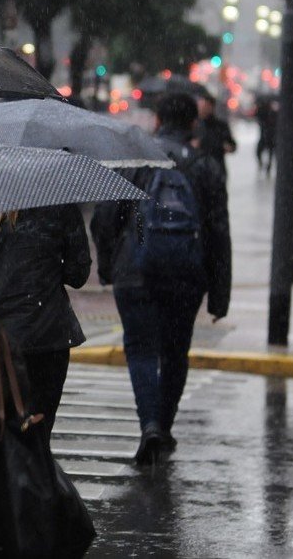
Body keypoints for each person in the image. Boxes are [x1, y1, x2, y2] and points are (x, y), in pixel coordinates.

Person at [91, 93, 231, 466]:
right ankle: (163, 427)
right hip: (185, 274)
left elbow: (106, 217)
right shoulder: (205, 165)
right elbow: (218, 232)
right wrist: (220, 295)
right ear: (192, 125)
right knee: (174, 352)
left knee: (139, 348)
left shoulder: (137, 159)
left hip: (135, 270)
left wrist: (107, 265)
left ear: (157, 121)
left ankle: (149, 424)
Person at [0, 205, 91, 447]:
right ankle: (30, 482)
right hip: (47, 338)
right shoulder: (59, 206)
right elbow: (78, 273)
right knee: (36, 439)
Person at [194, 93, 236, 172]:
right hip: (198, 169)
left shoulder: (220, 126)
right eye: (200, 106)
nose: (201, 109)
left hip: (217, 168)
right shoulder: (194, 125)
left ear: (211, 107)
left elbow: (231, 146)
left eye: (203, 106)